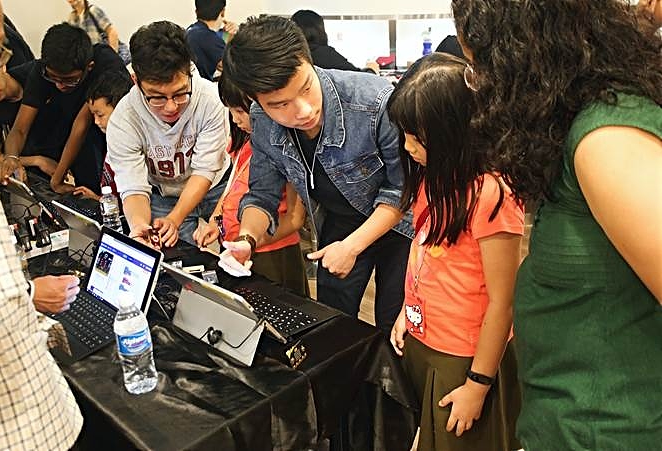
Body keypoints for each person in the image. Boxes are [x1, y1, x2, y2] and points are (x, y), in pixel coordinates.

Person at [452, 0, 662, 449]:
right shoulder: (578, 125)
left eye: (479, 66)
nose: (480, 83)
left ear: (521, 55)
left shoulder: (607, 142)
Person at [221, 15, 413, 334]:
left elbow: (401, 191)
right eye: (280, 104)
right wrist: (246, 239)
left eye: (306, 88)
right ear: (256, 99)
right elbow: (261, 194)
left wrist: (352, 247)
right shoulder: (262, 120)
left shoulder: (374, 100)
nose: (304, 111)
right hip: (338, 220)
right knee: (331, 321)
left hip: (399, 225)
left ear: (308, 60)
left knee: (393, 323)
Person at [388, 52, 523, 451]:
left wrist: (478, 385)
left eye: (418, 137)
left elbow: (503, 301)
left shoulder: (491, 194)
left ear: (454, 132)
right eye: (405, 134)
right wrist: (407, 311)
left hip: (467, 357)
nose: (408, 147)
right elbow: (425, 254)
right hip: (425, 339)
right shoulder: (434, 177)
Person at [0, 1, 83, 448]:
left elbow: (79, 124)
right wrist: (28, 296)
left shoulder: (35, 76)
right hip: (16, 423)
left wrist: (54, 171)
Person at [105, 21, 230, 248]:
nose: (171, 107)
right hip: (164, 195)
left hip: (216, 185)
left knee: (234, 248)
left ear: (189, 71)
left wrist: (175, 218)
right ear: (136, 81)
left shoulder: (210, 100)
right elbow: (133, 186)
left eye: (180, 93)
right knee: (176, 256)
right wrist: (139, 226)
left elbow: (205, 169)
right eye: (157, 97)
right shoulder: (125, 119)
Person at [193, 75, 309, 296]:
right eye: (230, 111)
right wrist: (216, 221)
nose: (235, 119)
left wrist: (250, 242)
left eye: (240, 111)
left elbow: (295, 218)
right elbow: (233, 186)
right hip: (238, 248)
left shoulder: (285, 149)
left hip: (273, 252)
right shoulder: (244, 141)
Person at [0, 23, 128, 194]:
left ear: (89, 67)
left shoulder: (105, 62)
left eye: (70, 80)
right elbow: (20, 128)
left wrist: (57, 180)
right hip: (75, 137)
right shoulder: (42, 71)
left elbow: (81, 124)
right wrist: (12, 158)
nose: (59, 85)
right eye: (53, 78)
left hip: (117, 136)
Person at [71, 70, 133, 201]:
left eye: (100, 115)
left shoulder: (133, 147)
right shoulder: (111, 140)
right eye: (93, 115)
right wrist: (97, 198)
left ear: (122, 108)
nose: (96, 121)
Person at [291, 10, 379, 73]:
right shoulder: (324, 54)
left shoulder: (291, 56)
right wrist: (371, 70)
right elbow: (358, 79)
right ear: (319, 30)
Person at [186, 0, 238, 80]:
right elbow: (233, 68)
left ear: (196, 12)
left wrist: (228, 36)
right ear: (223, 12)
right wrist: (236, 35)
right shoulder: (206, 36)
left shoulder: (191, 31)